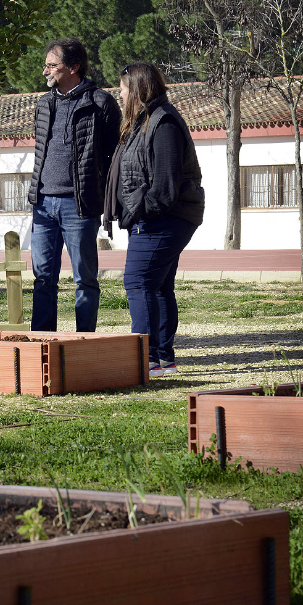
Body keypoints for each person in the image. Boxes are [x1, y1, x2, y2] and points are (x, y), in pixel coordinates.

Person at [103, 62, 205, 377]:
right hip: (151, 218)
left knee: (139, 281)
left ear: (136, 89)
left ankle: (145, 360)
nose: (118, 94)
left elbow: (165, 188)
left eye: (122, 88)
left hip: (164, 219)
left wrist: (139, 211)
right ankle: (164, 360)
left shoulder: (164, 123)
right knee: (159, 287)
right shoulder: (142, 121)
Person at [28, 38, 120, 333]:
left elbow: (114, 155)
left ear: (74, 67)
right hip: (43, 204)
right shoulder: (44, 103)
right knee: (43, 279)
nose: (46, 71)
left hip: (79, 205)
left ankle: (84, 341)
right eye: (46, 65)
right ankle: (42, 343)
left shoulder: (101, 103)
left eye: (52, 65)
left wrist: (106, 199)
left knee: (85, 279)